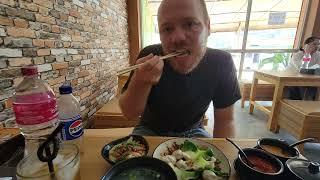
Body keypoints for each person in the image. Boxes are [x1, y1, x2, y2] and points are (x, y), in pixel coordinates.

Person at [119, 0, 241, 138]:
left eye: (189, 24)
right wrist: (140, 82)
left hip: (193, 131)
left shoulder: (222, 62)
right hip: (149, 130)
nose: (177, 38)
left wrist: (223, 155)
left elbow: (226, 122)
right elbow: (129, 113)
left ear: (208, 27)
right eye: (167, 28)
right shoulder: (150, 55)